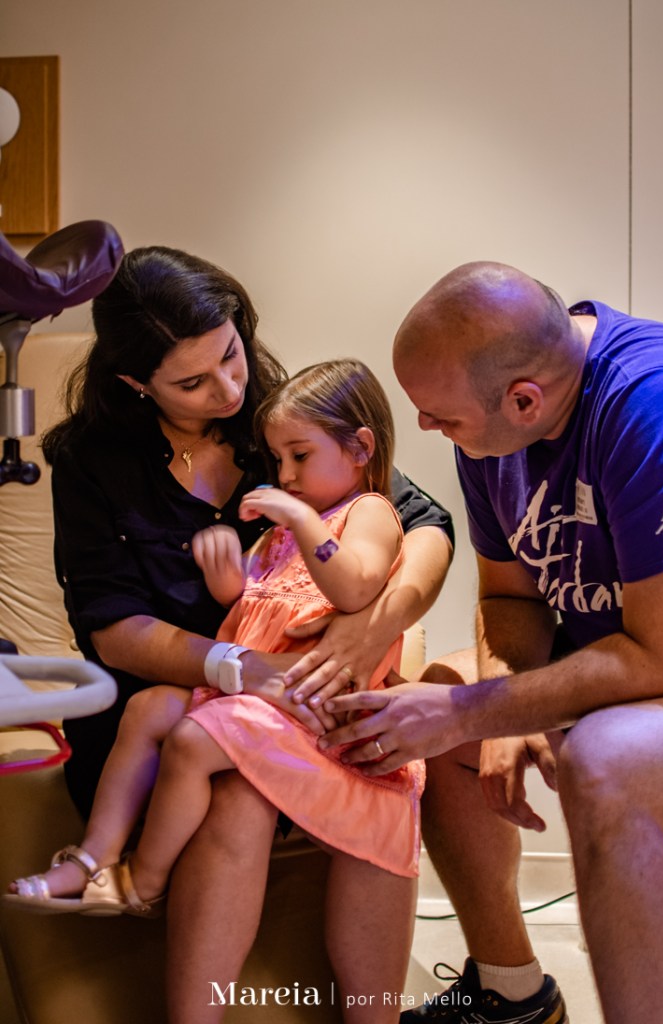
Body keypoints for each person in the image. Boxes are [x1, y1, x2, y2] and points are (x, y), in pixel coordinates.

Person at [26, 246, 454, 1023]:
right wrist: (242, 668)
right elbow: (115, 631)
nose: (227, 389)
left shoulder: (277, 418)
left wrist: (374, 628)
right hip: (168, 711)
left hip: (294, 703)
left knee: (362, 776)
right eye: (192, 383)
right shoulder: (92, 463)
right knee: (235, 787)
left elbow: (420, 521)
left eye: (230, 354)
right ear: (136, 383)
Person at [318, 261, 663, 1024]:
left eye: (440, 417)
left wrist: (484, 708)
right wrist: (494, 711)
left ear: (523, 399)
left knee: (604, 755)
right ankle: (512, 994)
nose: (426, 429)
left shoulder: (655, 405)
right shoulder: (496, 425)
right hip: (626, 651)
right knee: (428, 710)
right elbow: (509, 597)